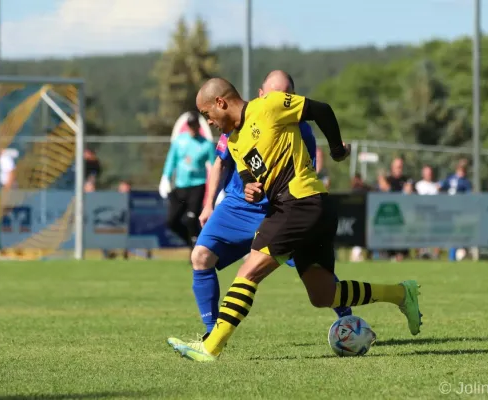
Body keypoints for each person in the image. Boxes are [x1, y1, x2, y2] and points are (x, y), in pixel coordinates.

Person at [168, 77, 422, 361]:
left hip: (301, 202)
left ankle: (211, 347)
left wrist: (337, 150)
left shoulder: (270, 105)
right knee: (323, 295)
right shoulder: (236, 140)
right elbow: (247, 169)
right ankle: (401, 294)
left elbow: (322, 110)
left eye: (208, 115)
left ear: (221, 102)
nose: (210, 122)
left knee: (248, 272)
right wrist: (249, 184)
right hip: (309, 208)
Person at [190, 71, 352, 338]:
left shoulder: (300, 131)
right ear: (260, 92)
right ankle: (211, 333)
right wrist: (209, 205)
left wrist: (335, 151)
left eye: (285, 91)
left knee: (313, 274)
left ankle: (348, 320)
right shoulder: (235, 127)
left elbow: (300, 172)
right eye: (272, 91)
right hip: (238, 206)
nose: (279, 96)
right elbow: (224, 162)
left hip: (281, 209)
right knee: (201, 256)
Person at [159, 111, 216, 249]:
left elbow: (215, 166)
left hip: (197, 186)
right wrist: (165, 177)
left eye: (194, 125)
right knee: (172, 221)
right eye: (189, 125)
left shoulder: (206, 144)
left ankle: (197, 248)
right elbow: (171, 160)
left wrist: (219, 188)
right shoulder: (179, 141)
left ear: (198, 126)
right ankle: (192, 243)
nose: (192, 128)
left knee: (192, 219)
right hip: (180, 186)